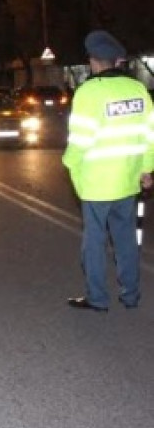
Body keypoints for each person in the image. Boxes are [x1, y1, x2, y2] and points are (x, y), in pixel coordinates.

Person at [63, 30, 154, 312]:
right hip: (127, 182)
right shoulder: (138, 90)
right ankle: (130, 295)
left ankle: (97, 298)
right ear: (117, 61)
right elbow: (150, 136)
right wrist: (146, 170)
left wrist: (69, 163)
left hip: (96, 184)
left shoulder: (89, 92)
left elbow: (80, 142)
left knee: (94, 242)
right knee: (126, 240)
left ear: (93, 61)